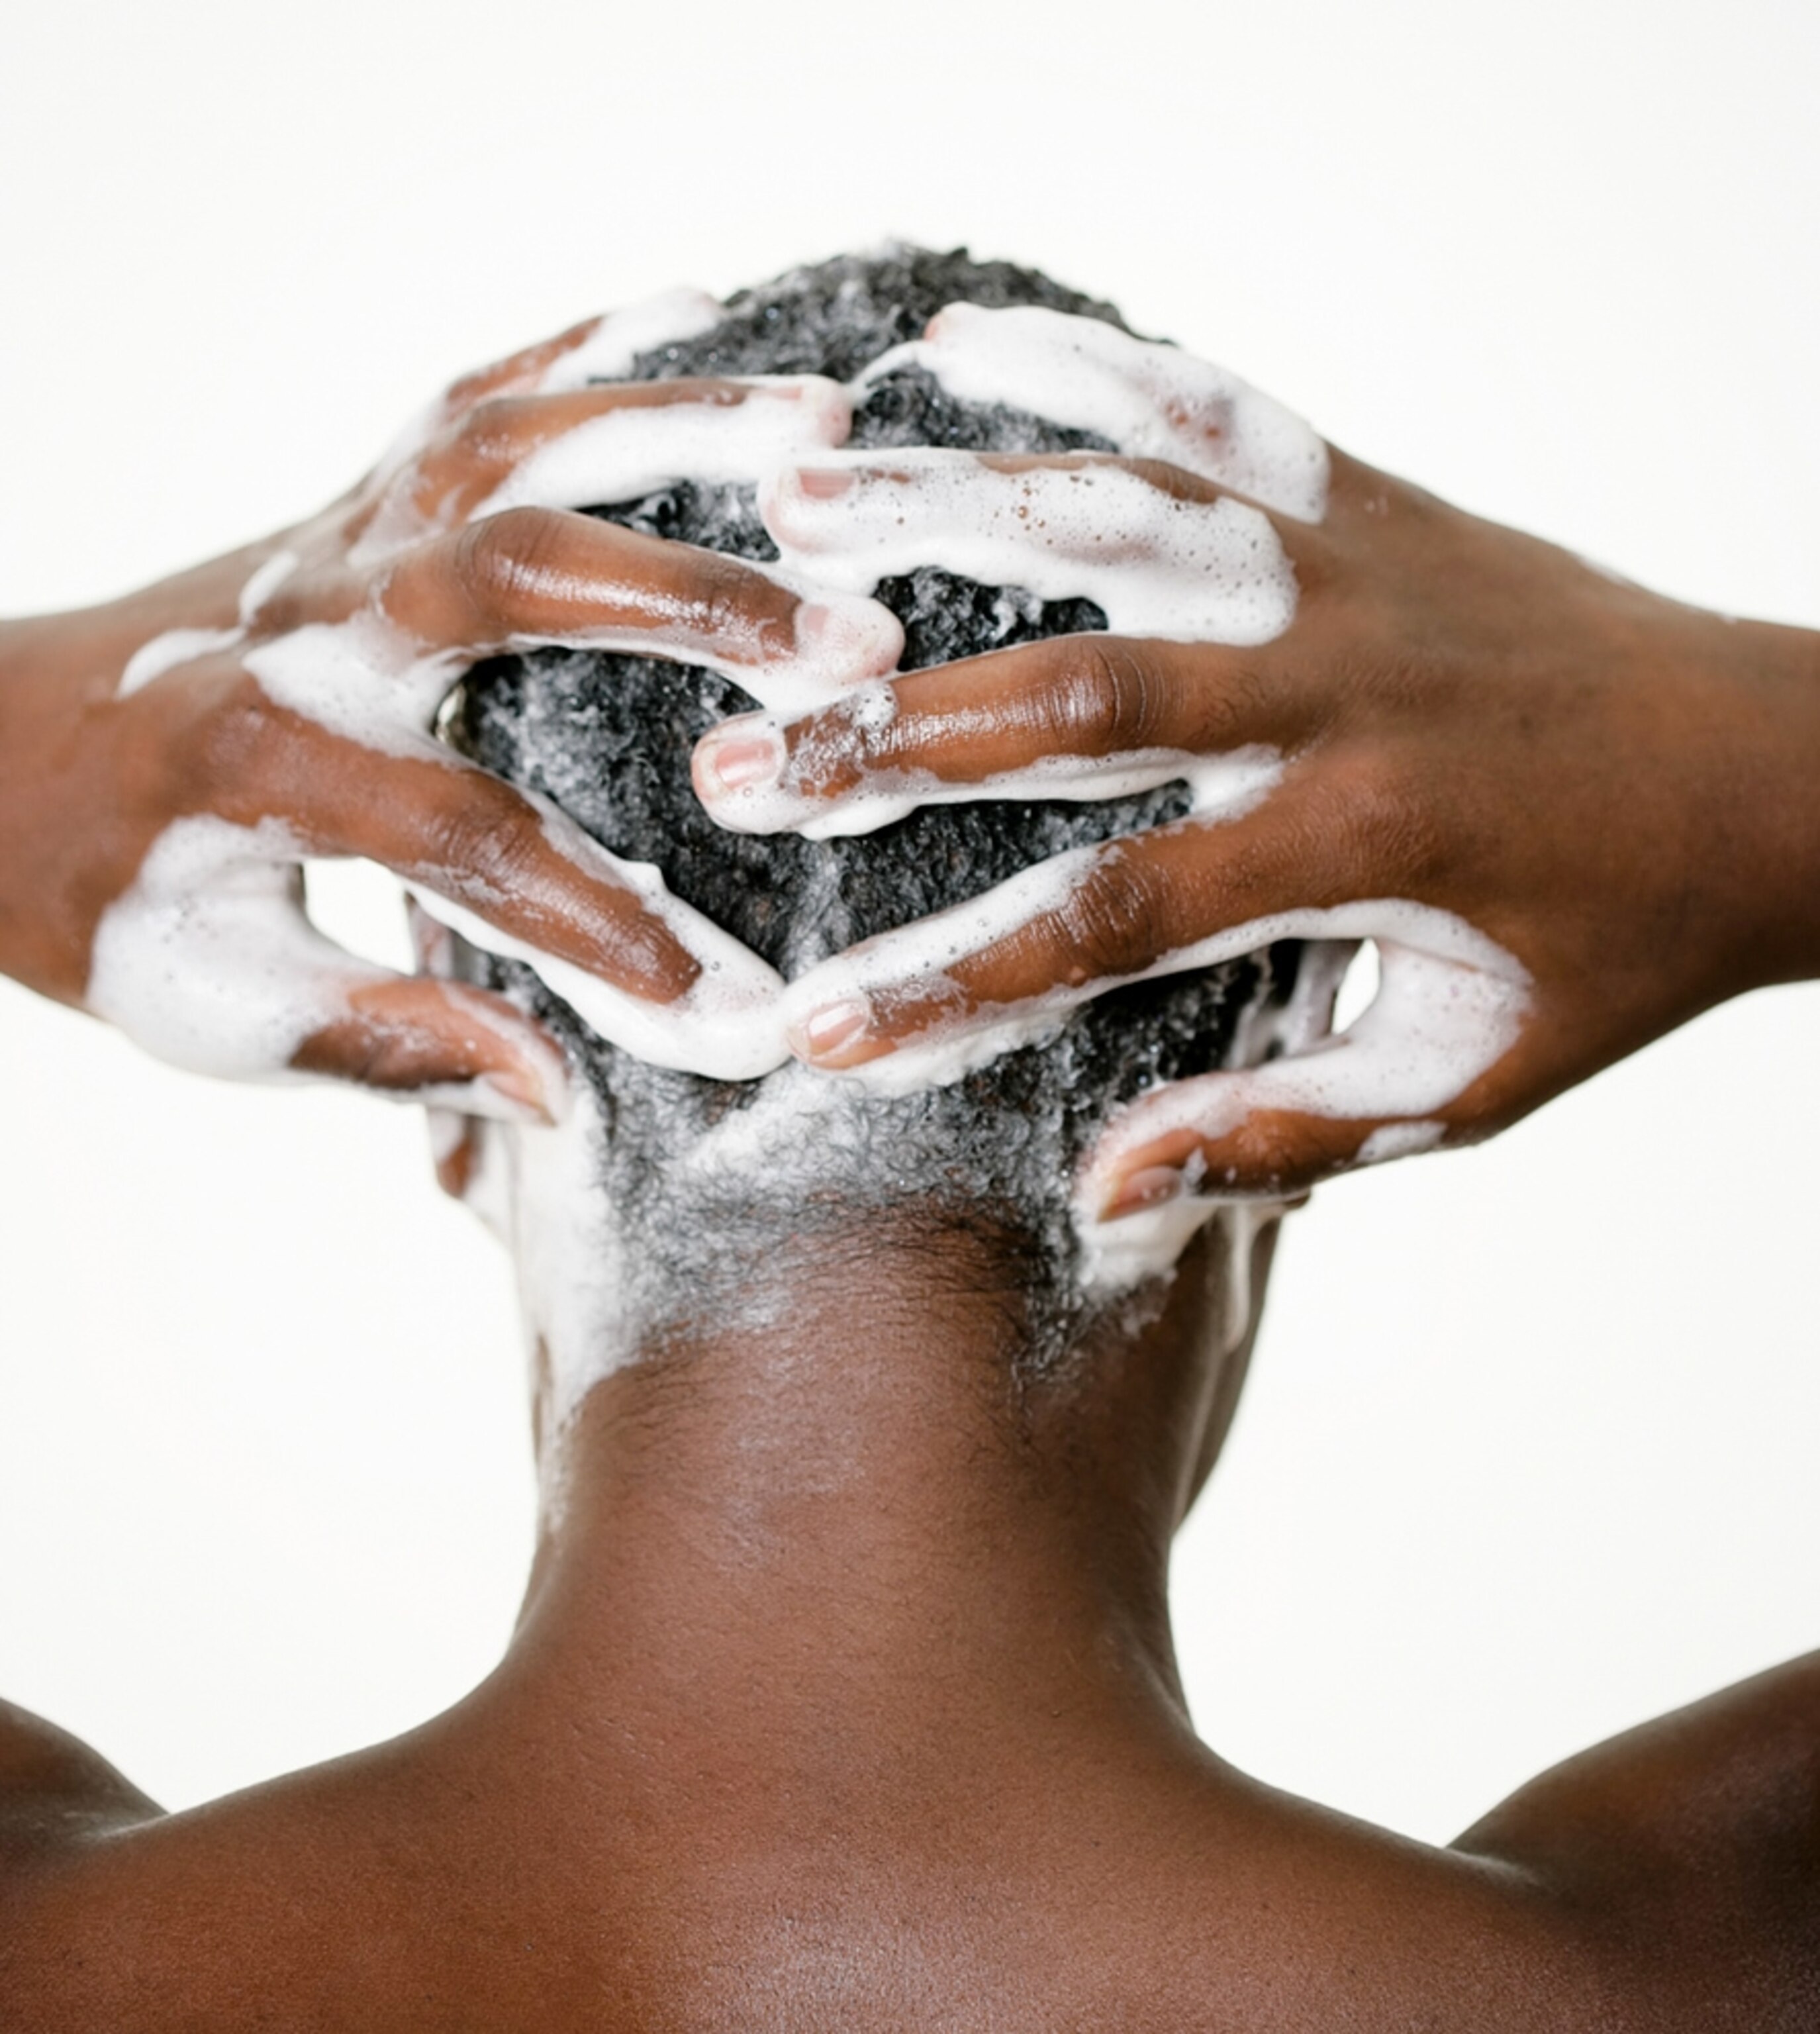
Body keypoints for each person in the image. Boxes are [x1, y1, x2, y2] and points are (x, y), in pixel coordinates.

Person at [1, 248, 1817, 2028]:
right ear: (1301, 1039)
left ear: (449, 1029)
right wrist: (1734, 763)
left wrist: (83, 724)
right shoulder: (1718, 1967)